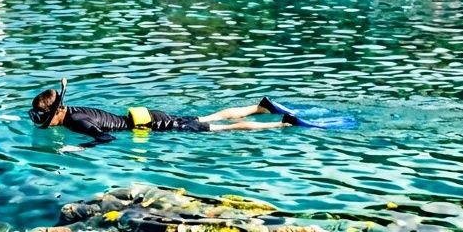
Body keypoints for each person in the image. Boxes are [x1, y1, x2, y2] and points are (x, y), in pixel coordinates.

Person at [29, 79, 293, 148]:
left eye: (42, 117)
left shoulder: (74, 121)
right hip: (148, 116)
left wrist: (80, 148)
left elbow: (106, 138)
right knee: (208, 118)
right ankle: (262, 107)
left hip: (154, 125)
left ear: (56, 112)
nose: (41, 122)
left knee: (219, 128)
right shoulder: (72, 110)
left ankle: (282, 124)